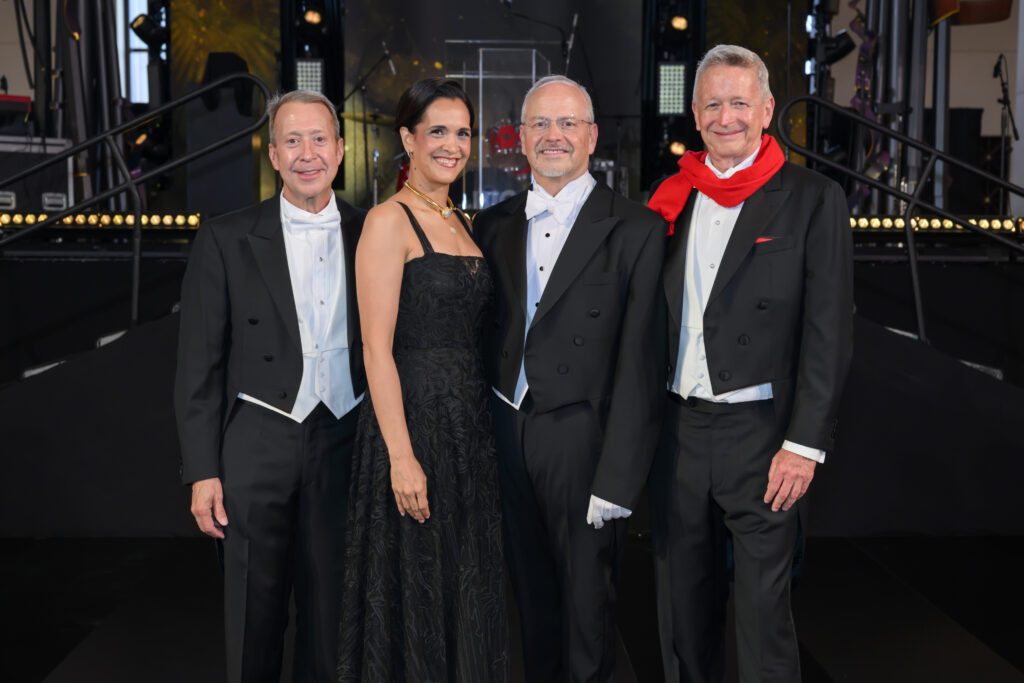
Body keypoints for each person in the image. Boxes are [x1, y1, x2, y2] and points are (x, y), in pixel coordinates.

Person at [647, 44, 853, 682]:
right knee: (682, 618)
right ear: (695, 115)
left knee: (764, 622)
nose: (726, 116)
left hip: (763, 439)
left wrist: (804, 445)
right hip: (678, 434)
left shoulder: (813, 198)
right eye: (712, 104)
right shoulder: (669, 198)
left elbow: (828, 332)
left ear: (766, 110)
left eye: (740, 102)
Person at [474, 75, 667, 682]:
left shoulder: (636, 228)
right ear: (521, 137)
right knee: (531, 606)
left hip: (584, 438)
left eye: (567, 124)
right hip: (508, 430)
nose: (553, 135)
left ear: (591, 136)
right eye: (540, 124)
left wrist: (619, 477)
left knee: (588, 610)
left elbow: (642, 362)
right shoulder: (492, 223)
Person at [174, 89, 366, 683]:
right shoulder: (226, 237)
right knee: (253, 616)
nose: (308, 154)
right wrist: (202, 471)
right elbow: (199, 366)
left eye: (319, 139)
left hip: (346, 437)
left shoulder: (374, 231)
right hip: (258, 442)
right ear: (274, 155)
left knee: (333, 617)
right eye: (292, 141)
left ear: (340, 149)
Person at [337, 78, 508, 682]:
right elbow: (376, 351)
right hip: (412, 427)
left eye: (462, 133)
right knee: (417, 586)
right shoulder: (388, 221)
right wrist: (402, 457)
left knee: (466, 583)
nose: (452, 145)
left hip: (469, 432)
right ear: (408, 138)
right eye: (438, 131)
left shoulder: (462, 220)